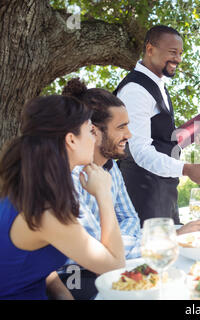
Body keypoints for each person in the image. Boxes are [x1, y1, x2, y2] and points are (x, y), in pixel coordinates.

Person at [58, 78, 200, 299]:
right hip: (76, 279)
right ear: (93, 131)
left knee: (188, 282)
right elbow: (98, 252)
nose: (129, 135)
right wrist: (168, 240)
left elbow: (129, 219)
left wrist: (116, 241)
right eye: (121, 127)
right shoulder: (67, 177)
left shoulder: (110, 166)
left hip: (114, 265)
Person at [0, 95, 125, 300]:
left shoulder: (28, 189)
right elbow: (115, 267)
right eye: (89, 131)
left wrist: (65, 296)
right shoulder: (45, 210)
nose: (94, 139)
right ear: (71, 139)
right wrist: (104, 194)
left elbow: (34, 265)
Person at [114, 25, 200, 226]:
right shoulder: (135, 90)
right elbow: (140, 152)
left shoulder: (157, 84)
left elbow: (160, 139)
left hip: (163, 190)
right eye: (172, 52)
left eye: (180, 53)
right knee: (151, 254)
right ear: (150, 49)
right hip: (143, 194)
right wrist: (187, 169)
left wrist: (191, 137)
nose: (178, 59)